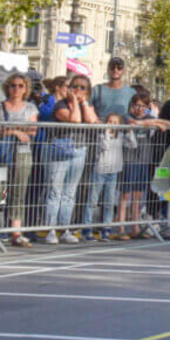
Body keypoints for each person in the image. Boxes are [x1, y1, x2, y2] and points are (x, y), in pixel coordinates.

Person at [43, 74, 99, 244]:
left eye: (83, 88)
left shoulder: (86, 105)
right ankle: (51, 230)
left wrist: (83, 102)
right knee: (55, 192)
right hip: (60, 150)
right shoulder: (60, 105)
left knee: (70, 193)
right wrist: (74, 101)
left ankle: (65, 229)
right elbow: (74, 120)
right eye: (75, 86)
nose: (78, 90)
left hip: (79, 150)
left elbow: (91, 120)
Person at [116, 88, 170, 239]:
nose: (139, 108)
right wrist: (153, 122)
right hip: (129, 160)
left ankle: (135, 227)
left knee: (138, 195)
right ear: (132, 105)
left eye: (142, 106)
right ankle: (120, 228)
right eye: (136, 105)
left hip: (143, 160)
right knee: (125, 195)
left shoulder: (147, 116)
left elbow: (167, 123)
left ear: (147, 107)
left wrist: (153, 120)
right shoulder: (127, 116)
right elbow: (133, 122)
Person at [2, 72, 39, 247]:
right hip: (3, 152)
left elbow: (32, 131)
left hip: (23, 153)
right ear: (7, 87)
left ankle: (16, 232)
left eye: (20, 85)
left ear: (26, 89)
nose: (16, 89)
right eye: (13, 85)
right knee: (2, 192)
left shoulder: (30, 108)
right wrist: (16, 131)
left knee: (18, 192)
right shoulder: (2, 106)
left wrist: (9, 129)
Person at [82, 113, 130, 241]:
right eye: (109, 121)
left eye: (115, 122)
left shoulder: (120, 136)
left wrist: (130, 131)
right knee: (93, 200)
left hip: (113, 171)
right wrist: (107, 133)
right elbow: (105, 146)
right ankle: (87, 228)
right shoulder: (101, 135)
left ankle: (106, 229)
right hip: (100, 170)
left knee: (109, 202)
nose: (112, 124)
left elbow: (132, 144)